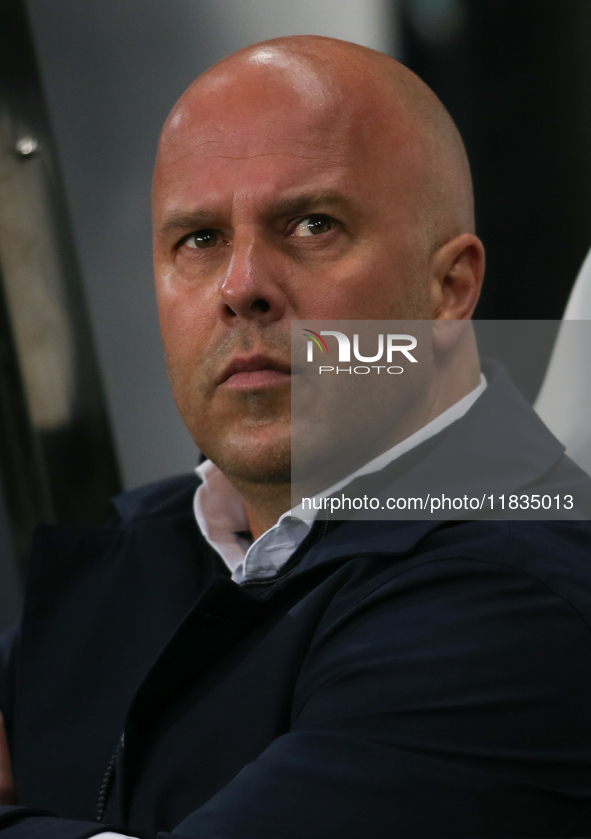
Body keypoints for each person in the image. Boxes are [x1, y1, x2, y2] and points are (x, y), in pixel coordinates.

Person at [1, 34, 591, 839]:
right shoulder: (156, 536)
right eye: (199, 240)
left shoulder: (522, 600)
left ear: (447, 288)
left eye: (312, 224)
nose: (242, 287)